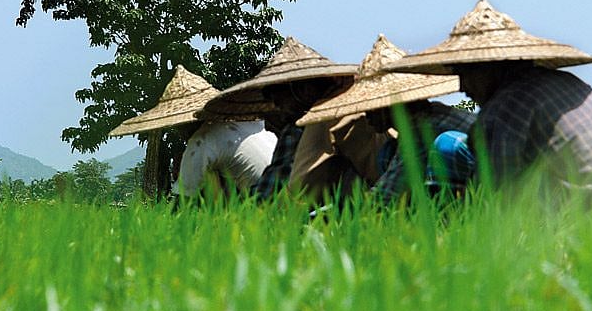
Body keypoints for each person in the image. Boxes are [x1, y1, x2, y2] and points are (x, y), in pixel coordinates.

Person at [385, 0, 592, 215]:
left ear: (490, 67)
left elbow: (494, 201)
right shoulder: (568, 84)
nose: (463, 87)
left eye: (466, 74)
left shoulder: (506, 106)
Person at [296, 35, 476, 204]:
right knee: (388, 153)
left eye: (371, 107)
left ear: (389, 105)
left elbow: (385, 198)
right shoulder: (432, 114)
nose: (366, 116)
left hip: (489, 189)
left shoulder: (421, 130)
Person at [197, 37, 357, 201]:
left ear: (303, 90)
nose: (276, 104)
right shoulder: (345, 116)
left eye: (278, 96)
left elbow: (267, 196)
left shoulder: (299, 128)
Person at [109, 65, 276, 199]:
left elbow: (183, 203)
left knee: (207, 178)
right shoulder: (247, 123)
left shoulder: (203, 139)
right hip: (287, 196)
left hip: (260, 205)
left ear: (185, 123)